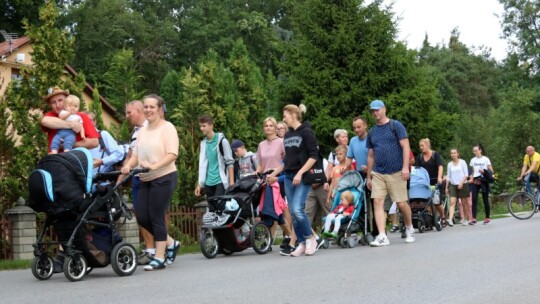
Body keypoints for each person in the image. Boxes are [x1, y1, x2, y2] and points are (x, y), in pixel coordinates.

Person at [121, 94, 180, 271]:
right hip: (145, 177)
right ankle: (171, 243)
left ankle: (159, 257)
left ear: (160, 110)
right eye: (145, 107)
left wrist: (154, 166)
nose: (148, 110)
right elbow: (137, 155)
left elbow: (172, 154)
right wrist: (128, 166)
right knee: (143, 217)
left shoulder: (167, 128)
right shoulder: (143, 131)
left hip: (164, 176)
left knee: (155, 216)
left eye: (151, 107)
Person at [267, 104, 320, 256]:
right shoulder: (288, 136)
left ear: (292, 114)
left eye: (285, 116)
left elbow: (313, 156)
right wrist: (274, 174)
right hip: (289, 176)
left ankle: (311, 239)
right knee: (293, 212)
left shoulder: (307, 132)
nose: (283, 119)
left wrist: (300, 173)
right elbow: (286, 162)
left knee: (297, 209)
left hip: (302, 177)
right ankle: (302, 243)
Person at [366, 100, 415, 246]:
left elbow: (406, 147)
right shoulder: (372, 131)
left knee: (401, 204)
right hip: (379, 172)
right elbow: (370, 155)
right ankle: (382, 235)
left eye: (377, 110)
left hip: (397, 171)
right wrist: (368, 176)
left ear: (384, 109)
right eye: (372, 111)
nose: (375, 113)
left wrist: (405, 167)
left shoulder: (396, 126)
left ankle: (409, 228)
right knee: (377, 201)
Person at [255, 117, 295, 254]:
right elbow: (260, 164)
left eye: (271, 125)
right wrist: (254, 173)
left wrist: (277, 176)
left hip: (278, 178)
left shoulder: (281, 142)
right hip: (266, 179)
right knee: (272, 209)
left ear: (275, 128)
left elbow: (287, 161)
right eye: (266, 125)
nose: (268, 128)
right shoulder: (261, 145)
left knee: (280, 208)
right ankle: (272, 239)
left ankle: (290, 236)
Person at [41, 87, 99, 152]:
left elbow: (95, 142)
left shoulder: (81, 116)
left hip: (74, 159)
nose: (57, 105)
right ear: (50, 105)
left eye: (60, 100)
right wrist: (71, 125)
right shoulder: (50, 115)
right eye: (53, 102)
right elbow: (44, 121)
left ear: (67, 100)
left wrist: (68, 144)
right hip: (54, 160)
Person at [194, 115, 235, 199]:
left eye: (204, 126)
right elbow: (203, 165)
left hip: (220, 181)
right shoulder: (204, 143)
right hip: (208, 183)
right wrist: (199, 184)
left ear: (211, 126)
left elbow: (230, 162)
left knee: (220, 208)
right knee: (211, 210)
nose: (201, 128)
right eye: (200, 126)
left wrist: (231, 183)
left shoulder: (222, 141)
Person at [415, 138, 447, 227]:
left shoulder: (435, 154)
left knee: (436, 202)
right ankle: (429, 219)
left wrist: (439, 177)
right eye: (420, 146)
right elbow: (417, 171)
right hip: (425, 183)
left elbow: (440, 166)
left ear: (427, 145)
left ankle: (443, 216)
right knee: (426, 202)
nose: (421, 148)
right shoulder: (420, 157)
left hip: (436, 181)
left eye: (422, 145)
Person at [469, 144, 494, 225]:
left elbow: (491, 171)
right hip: (476, 180)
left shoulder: (485, 159)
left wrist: (484, 171)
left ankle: (487, 217)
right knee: (474, 199)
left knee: (485, 199)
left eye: (476, 150)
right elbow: (472, 171)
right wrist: (471, 177)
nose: (475, 152)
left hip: (484, 180)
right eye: (474, 151)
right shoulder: (472, 160)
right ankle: (474, 218)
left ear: (480, 150)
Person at [446, 148, 471, 226]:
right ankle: (450, 219)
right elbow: (448, 177)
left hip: (463, 184)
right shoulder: (449, 164)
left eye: (454, 153)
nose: (453, 154)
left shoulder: (462, 162)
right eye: (451, 153)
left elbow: (466, 174)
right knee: (452, 202)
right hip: (453, 185)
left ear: (457, 154)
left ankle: (465, 219)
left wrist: (461, 183)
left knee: (464, 203)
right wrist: (446, 187)